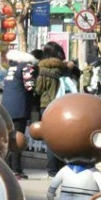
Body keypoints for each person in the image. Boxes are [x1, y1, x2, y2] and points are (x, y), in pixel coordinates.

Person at [34, 42, 70, 176]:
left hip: (46, 106)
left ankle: (52, 169)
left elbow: (38, 90)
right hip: (63, 106)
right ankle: (62, 166)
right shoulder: (63, 70)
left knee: (50, 138)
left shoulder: (41, 70)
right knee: (62, 138)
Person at [1, 49, 38, 179]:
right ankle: (16, 170)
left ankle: (7, 167)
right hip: (19, 106)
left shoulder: (11, 69)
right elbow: (30, 86)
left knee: (8, 139)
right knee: (18, 140)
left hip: (6, 107)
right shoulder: (26, 67)